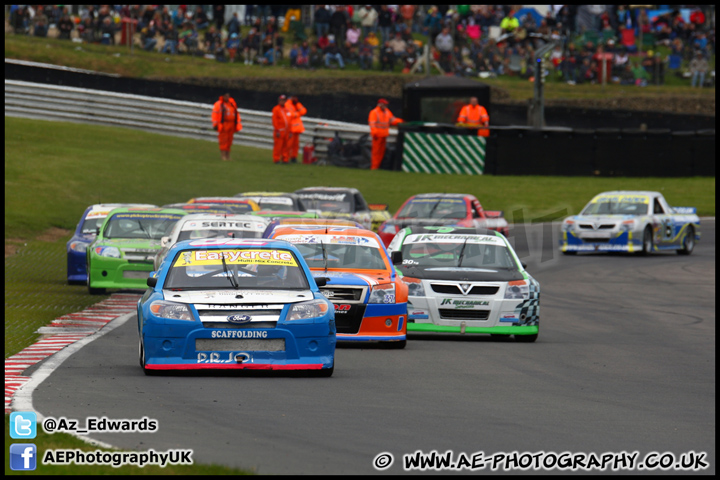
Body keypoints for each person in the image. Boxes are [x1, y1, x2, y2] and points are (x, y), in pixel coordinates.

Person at [368, 99, 403, 170]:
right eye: (385, 104)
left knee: (381, 153)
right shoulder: (374, 112)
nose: (386, 106)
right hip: (377, 136)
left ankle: (377, 166)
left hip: (383, 135)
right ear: (380, 104)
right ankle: (374, 167)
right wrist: (374, 133)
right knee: (376, 153)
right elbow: (372, 124)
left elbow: (393, 120)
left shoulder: (387, 112)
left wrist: (402, 121)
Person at [211, 93, 242, 161]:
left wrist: (237, 124)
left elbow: (236, 113)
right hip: (223, 124)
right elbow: (215, 114)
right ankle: (223, 156)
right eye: (225, 96)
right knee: (223, 140)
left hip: (231, 124)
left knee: (229, 141)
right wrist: (215, 124)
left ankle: (228, 156)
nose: (227, 97)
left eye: (228, 96)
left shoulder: (232, 104)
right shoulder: (219, 104)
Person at [284, 96, 307, 163]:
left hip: (297, 128)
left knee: (296, 145)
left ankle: (294, 157)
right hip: (290, 128)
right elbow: (290, 114)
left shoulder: (296, 104)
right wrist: (298, 114)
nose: (295, 99)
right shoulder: (287, 104)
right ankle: (286, 158)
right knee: (288, 145)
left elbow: (303, 111)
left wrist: (297, 104)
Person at [271, 95, 290, 164]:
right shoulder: (276, 109)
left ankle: (285, 159)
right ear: (279, 101)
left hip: (287, 131)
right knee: (278, 146)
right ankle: (276, 159)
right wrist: (277, 129)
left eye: (284, 100)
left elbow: (289, 120)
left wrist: (290, 131)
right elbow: (275, 120)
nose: (282, 102)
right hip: (280, 130)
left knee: (286, 146)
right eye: (281, 100)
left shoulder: (287, 109)